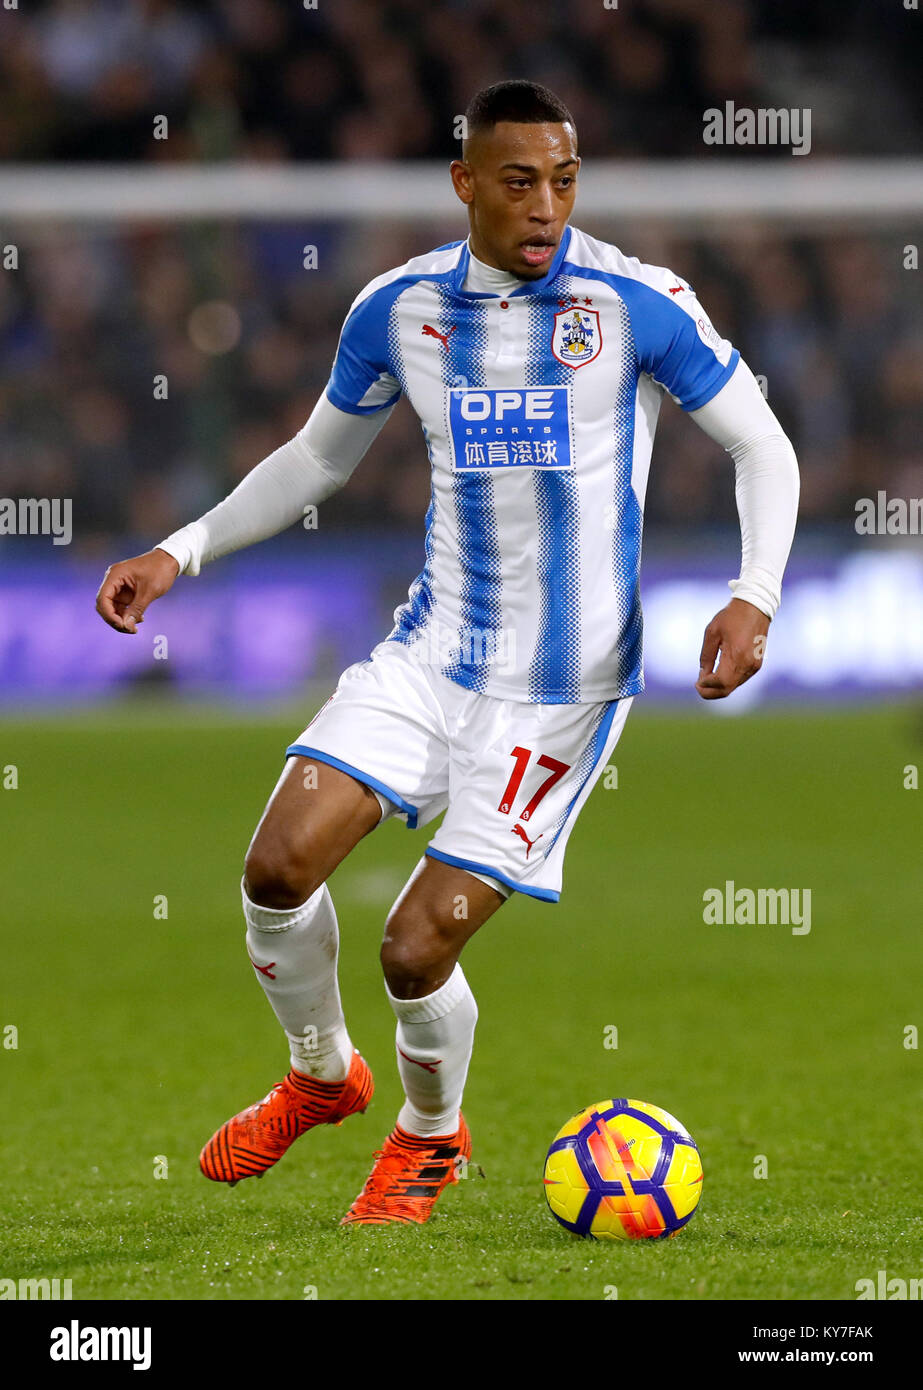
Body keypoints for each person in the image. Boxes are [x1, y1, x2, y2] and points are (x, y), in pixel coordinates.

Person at [95, 80, 799, 1227]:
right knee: (273, 872)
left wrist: (751, 594)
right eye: (518, 182)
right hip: (430, 654)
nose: (545, 208)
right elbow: (318, 461)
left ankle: (430, 1131)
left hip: (563, 692)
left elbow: (758, 445)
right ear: (464, 182)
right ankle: (323, 1075)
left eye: (564, 182)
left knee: (412, 949)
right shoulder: (398, 309)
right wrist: (181, 550)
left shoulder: (635, 303)